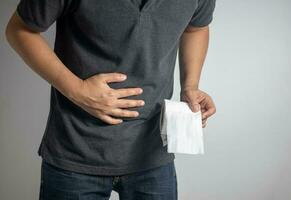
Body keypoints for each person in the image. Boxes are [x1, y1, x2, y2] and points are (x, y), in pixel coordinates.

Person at [5, 0, 217, 199]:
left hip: (152, 153)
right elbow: (20, 29)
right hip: (75, 152)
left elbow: (196, 27)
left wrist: (190, 85)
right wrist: (78, 90)